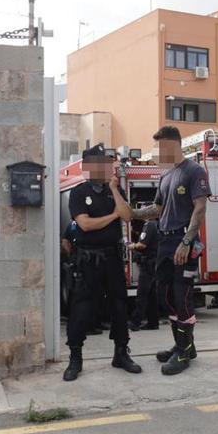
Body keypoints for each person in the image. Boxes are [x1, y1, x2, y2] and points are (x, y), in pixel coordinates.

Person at [113, 126, 211, 375]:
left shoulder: (194, 171)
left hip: (182, 242)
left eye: (160, 147)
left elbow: (199, 210)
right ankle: (184, 346)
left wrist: (187, 242)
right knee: (165, 298)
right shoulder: (166, 176)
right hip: (165, 244)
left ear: (172, 145)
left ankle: (183, 353)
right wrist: (134, 213)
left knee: (182, 298)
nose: (157, 152)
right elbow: (157, 209)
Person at [63, 145, 142, 382]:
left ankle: (121, 354)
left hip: (112, 259)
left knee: (119, 306)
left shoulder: (113, 190)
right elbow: (85, 225)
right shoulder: (79, 192)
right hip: (88, 260)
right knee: (82, 309)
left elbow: (128, 216)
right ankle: (75, 358)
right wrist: (112, 216)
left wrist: (115, 190)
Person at [128, 218, 160, 331]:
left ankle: (135, 322)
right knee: (152, 295)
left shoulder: (149, 225)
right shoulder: (157, 224)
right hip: (153, 263)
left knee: (142, 295)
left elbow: (142, 245)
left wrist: (132, 246)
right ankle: (153, 322)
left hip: (147, 265)